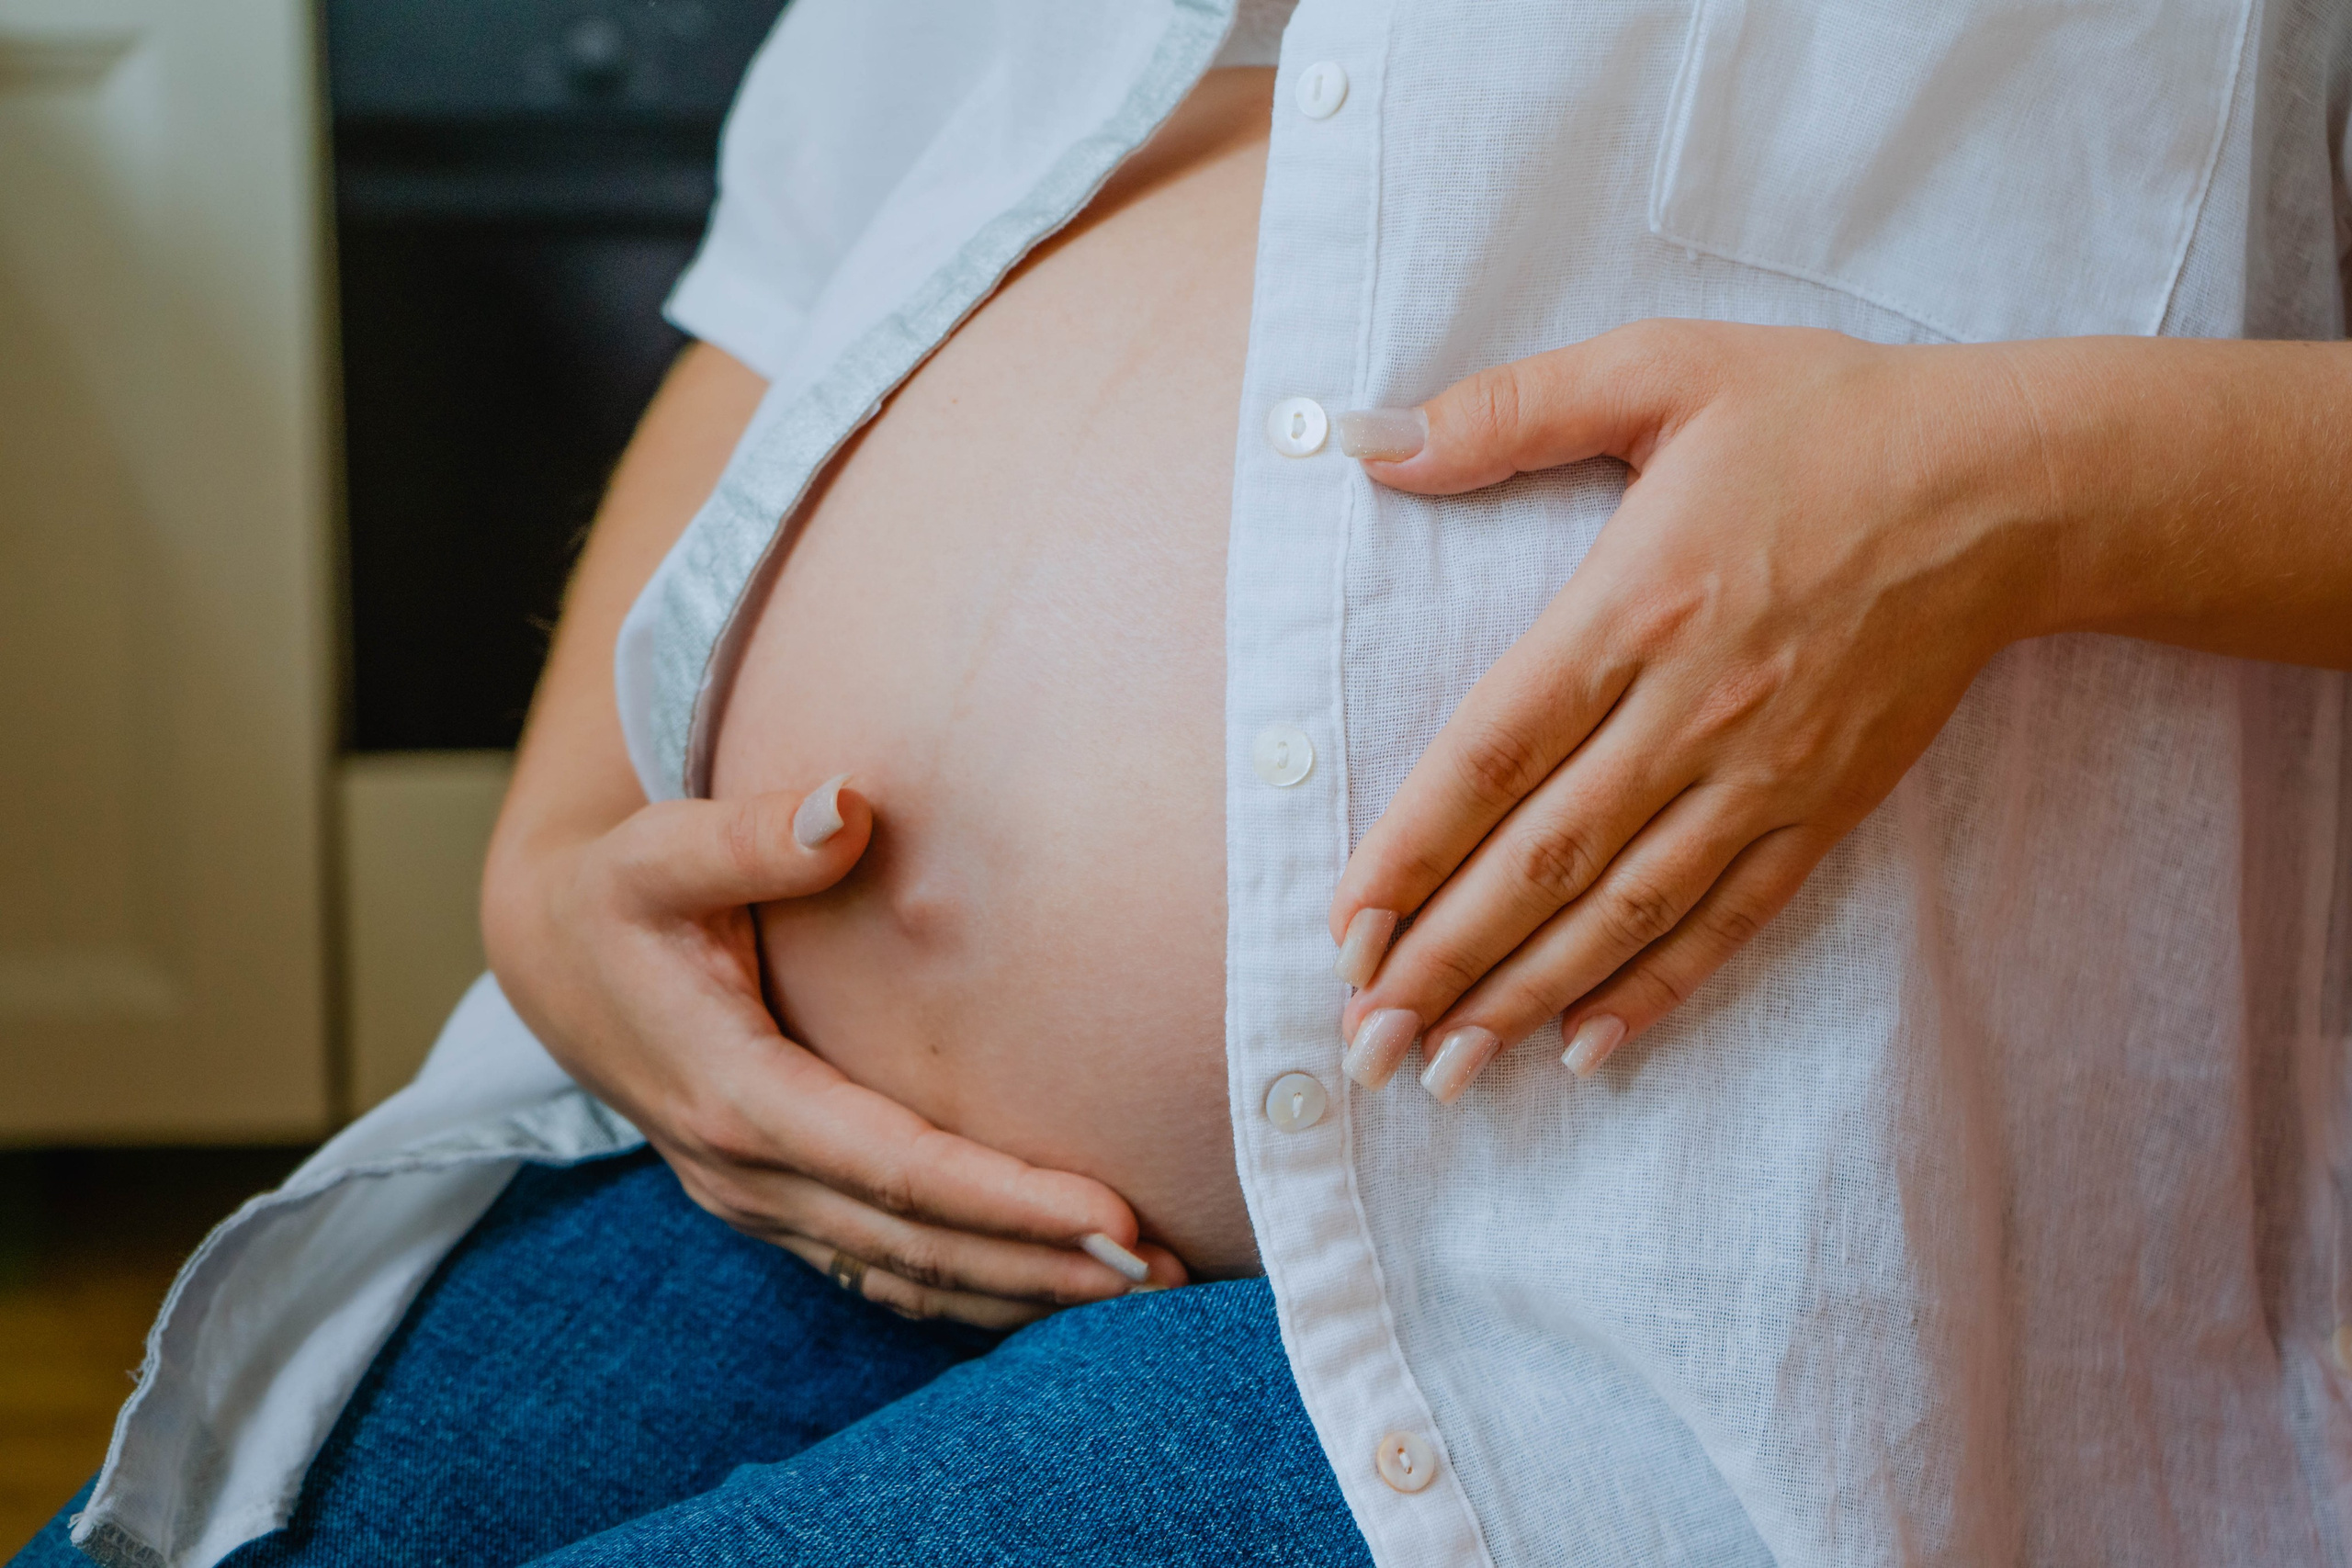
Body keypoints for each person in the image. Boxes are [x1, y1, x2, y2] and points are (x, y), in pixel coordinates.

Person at [19, 0, 2352, 1562]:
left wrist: (2017, 483)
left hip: (1594, 1304)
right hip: (761, 1163)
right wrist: (544, 866)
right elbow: (814, 265)